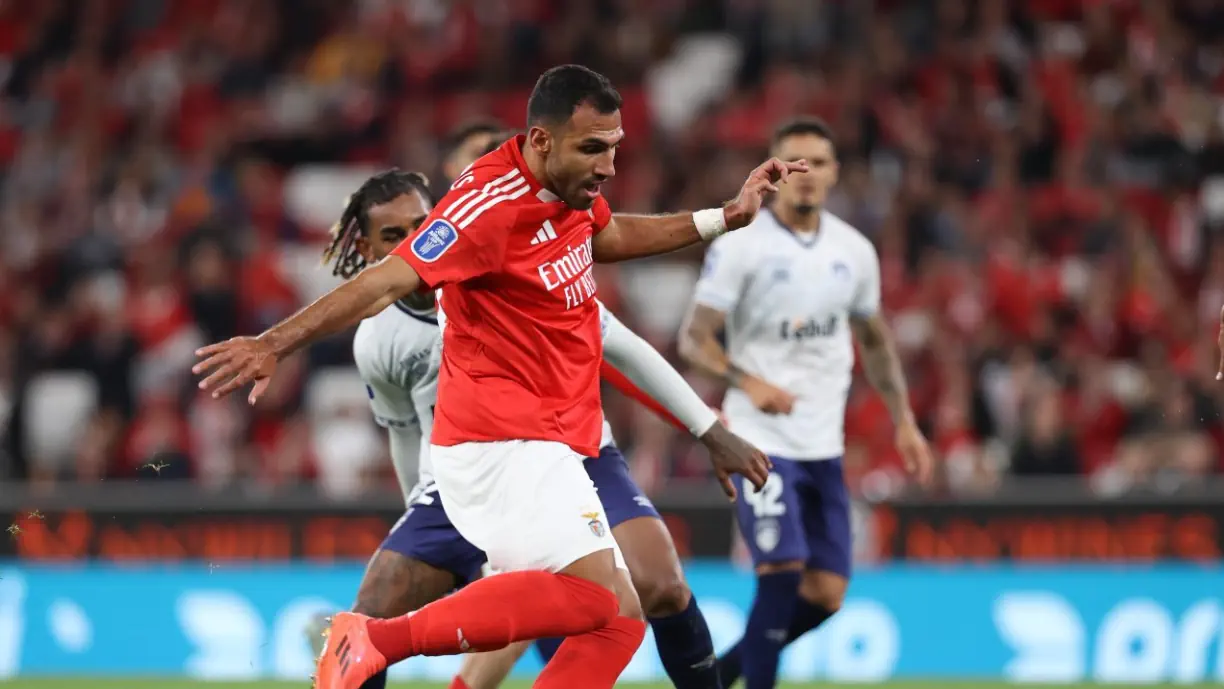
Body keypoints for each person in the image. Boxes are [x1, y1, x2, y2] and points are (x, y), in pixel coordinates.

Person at [194, 64, 797, 689]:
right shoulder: (487, 208)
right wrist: (274, 342)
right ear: (541, 141)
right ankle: (373, 637)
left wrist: (724, 216)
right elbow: (386, 280)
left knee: (620, 620)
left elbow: (609, 235)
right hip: (502, 442)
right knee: (601, 605)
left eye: (613, 149)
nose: (607, 167)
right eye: (592, 148)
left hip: (549, 440)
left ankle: (375, 638)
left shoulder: (569, 196)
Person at [304, 168, 754, 689]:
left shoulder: (520, 266)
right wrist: (424, 512)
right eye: (394, 235)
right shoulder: (378, 340)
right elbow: (405, 432)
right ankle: (375, 646)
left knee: (648, 590)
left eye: (423, 225)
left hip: (569, 451)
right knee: (375, 607)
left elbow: (627, 354)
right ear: (366, 244)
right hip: (463, 473)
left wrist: (707, 430)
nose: (416, 242)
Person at [678, 117, 935, 689]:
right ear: (772, 173)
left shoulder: (855, 251)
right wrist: (749, 383)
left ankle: (715, 678)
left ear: (834, 172)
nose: (806, 174)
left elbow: (874, 341)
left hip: (824, 447)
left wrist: (905, 422)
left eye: (817, 162)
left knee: (827, 594)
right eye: (792, 163)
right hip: (758, 442)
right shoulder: (742, 246)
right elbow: (693, 339)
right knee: (781, 573)